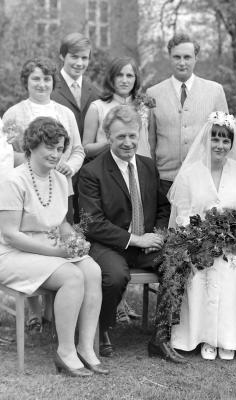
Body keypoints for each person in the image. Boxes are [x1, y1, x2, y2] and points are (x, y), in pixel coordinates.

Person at [0, 117, 107, 376]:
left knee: (92, 270)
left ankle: (85, 347)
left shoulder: (60, 178)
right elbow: (10, 235)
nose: (56, 154)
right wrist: (57, 253)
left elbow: (62, 223)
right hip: (13, 254)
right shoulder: (13, 180)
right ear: (32, 146)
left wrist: (75, 242)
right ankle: (65, 352)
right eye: (49, 147)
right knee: (72, 276)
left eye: (60, 148)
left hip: (50, 248)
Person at [78, 106, 185, 363]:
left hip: (146, 244)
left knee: (177, 262)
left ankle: (160, 337)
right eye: (120, 137)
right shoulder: (91, 172)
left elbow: (163, 208)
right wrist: (135, 240)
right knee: (115, 277)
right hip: (108, 245)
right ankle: (101, 327)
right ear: (108, 137)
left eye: (132, 136)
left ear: (139, 135)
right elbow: (92, 223)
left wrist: (156, 236)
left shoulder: (148, 166)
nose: (128, 142)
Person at [168, 111, 236, 360]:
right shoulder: (189, 174)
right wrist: (203, 236)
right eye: (215, 139)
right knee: (204, 268)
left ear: (232, 144)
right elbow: (182, 215)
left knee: (235, 268)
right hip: (198, 238)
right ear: (206, 140)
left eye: (225, 140)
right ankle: (206, 338)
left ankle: (230, 338)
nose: (220, 145)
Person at [147, 33, 228, 197]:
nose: (182, 62)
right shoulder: (153, 93)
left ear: (196, 58)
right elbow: (150, 140)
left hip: (204, 178)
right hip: (165, 180)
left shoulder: (215, 91)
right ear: (169, 57)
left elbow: (225, 137)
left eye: (187, 57)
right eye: (177, 57)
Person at [2, 57, 84, 194]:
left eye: (47, 79)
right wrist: (33, 160)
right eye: (36, 79)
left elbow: (78, 150)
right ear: (26, 81)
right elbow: (5, 154)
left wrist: (70, 167)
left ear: (53, 82)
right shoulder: (13, 115)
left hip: (61, 187)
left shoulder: (66, 114)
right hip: (25, 187)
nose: (42, 84)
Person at [83, 57, 151, 159]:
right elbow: (85, 149)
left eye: (129, 76)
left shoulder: (144, 107)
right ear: (111, 78)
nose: (124, 80)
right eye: (119, 75)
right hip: (108, 166)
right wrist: (110, 141)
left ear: (135, 79)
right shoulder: (97, 107)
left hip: (142, 166)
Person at [51, 32, 100, 138]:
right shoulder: (49, 89)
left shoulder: (96, 94)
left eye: (84, 58)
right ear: (62, 56)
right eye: (74, 57)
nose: (79, 63)